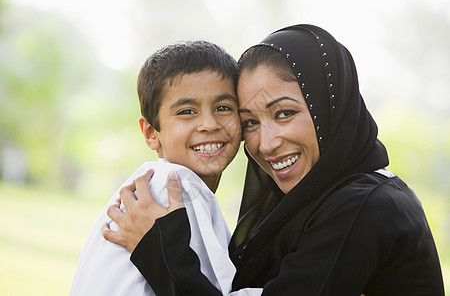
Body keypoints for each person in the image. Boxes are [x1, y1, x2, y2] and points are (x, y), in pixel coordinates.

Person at [103, 25, 445, 295]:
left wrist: (160, 252)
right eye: (250, 122)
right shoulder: (314, 202)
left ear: (330, 110)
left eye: (284, 113)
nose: (265, 144)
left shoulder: (363, 207)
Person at [69, 40, 243, 296]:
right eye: (187, 111)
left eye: (223, 108)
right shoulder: (179, 187)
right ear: (151, 133)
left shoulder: (150, 183)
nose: (209, 123)